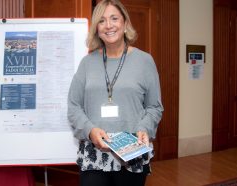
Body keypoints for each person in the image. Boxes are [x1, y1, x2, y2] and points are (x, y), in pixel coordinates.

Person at [67, 0, 164, 185]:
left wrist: (144, 128)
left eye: (114, 19)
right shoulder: (87, 63)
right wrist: (90, 130)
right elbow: (73, 106)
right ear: (97, 28)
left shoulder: (144, 61)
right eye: (102, 21)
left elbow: (154, 107)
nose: (109, 25)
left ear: (125, 23)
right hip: (94, 156)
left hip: (132, 154)